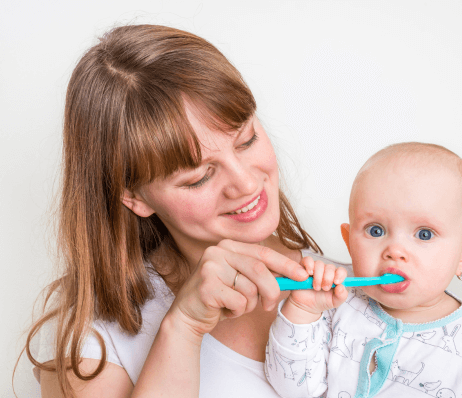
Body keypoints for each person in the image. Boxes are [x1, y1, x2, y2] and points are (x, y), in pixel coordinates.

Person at [22, 24, 346, 398]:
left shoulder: (351, 284)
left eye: (246, 140)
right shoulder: (94, 340)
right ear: (135, 197)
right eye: (199, 177)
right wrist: (183, 327)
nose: (244, 182)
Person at [265, 142, 462, 398]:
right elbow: (292, 390)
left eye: (425, 234)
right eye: (375, 230)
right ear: (350, 242)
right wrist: (303, 311)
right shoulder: (332, 304)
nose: (395, 250)